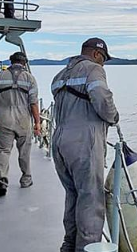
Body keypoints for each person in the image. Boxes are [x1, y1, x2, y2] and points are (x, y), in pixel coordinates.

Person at [51, 38, 119, 252]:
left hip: (59, 142)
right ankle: (87, 248)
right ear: (97, 54)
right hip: (83, 143)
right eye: (104, 59)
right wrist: (114, 117)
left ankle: (69, 245)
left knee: (73, 195)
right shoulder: (93, 70)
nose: (104, 64)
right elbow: (103, 101)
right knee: (90, 198)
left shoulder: (59, 75)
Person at [0, 51, 40, 197]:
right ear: (24, 63)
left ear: (11, 62)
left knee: (3, 151)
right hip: (23, 119)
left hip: (5, 118)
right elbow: (34, 103)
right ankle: (26, 179)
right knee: (24, 151)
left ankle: (2, 180)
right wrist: (37, 122)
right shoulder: (30, 78)